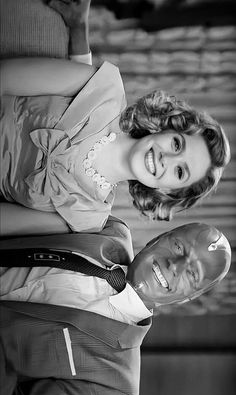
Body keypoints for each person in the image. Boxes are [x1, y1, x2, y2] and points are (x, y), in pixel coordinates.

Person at [0, 0, 230, 236]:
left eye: (180, 172)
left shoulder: (88, 218)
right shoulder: (105, 91)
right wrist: (79, 28)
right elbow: (3, 77)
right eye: (176, 144)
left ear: (169, 191)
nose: (167, 158)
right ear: (166, 127)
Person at [0, 218, 231, 395]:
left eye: (191, 274)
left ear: (190, 297)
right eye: (179, 247)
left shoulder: (116, 394)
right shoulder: (109, 229)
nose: (175, 265)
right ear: (158, 238)